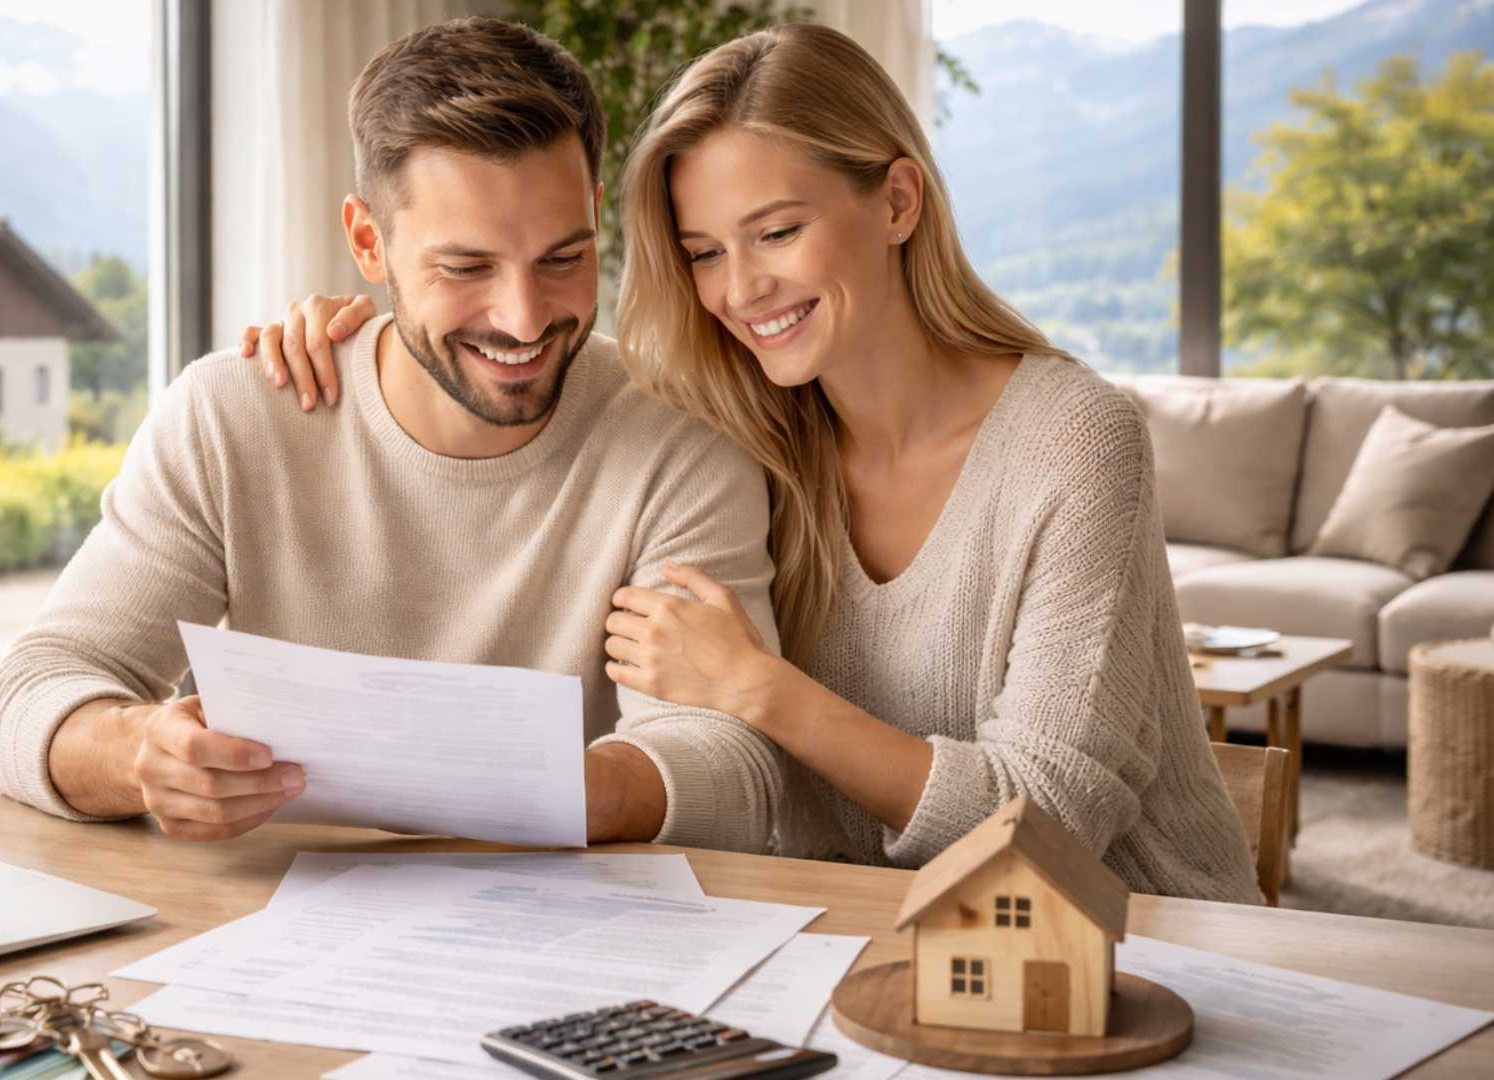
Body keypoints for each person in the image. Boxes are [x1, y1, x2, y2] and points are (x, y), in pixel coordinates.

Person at [245, 24, 1260, 901]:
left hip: (1134, 960)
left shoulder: (1076, 442)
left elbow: (1053, 824)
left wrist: (759, 688)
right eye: (703, 252)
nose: (741, 289)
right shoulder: (743, 428)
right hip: (853, 952)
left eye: (776, 231)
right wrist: (359, 330)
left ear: (898, 200)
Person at [0, 17, 791, 851]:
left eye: (561, 258)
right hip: (270, 931)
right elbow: (32, 694)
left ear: (594, 217)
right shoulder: (232, 417)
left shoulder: (679, 439)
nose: (523, 319)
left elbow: (733, 771)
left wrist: (492, 783)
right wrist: (139, 754)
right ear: (369, 240)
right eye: (466, 267)